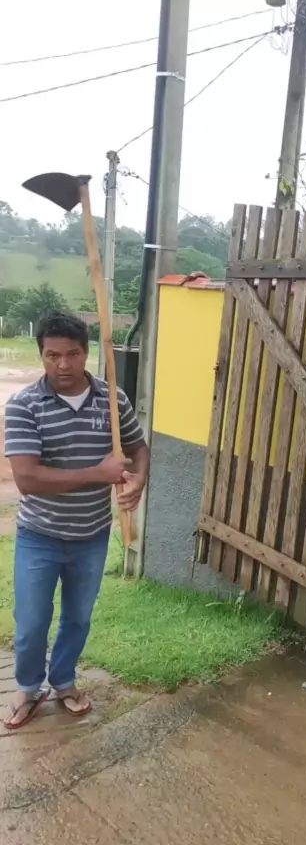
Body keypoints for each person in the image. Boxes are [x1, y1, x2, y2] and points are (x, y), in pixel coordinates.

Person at [3, 311, 149, 729]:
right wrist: (97, 473)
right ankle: (29, 687)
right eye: (52, 355)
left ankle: (63, 681)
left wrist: (139, 478)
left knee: (78, 618)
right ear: (41, 355)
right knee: (31, 623)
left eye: (72, 354)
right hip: (40, 535)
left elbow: (137, 447)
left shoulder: (112, 399)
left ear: (86, 353)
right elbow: (28, 479)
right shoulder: (25, 405)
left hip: (92, 535)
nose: (63, 364)